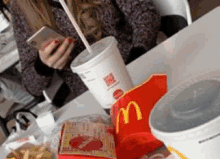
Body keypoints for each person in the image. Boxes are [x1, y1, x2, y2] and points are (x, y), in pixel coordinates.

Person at [9, 0, 161, 105]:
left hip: (138, 66)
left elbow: (144, 12)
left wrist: (137, 56)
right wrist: (44, 65)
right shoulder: (21, 8)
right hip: (92, 96)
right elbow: (31, 87)